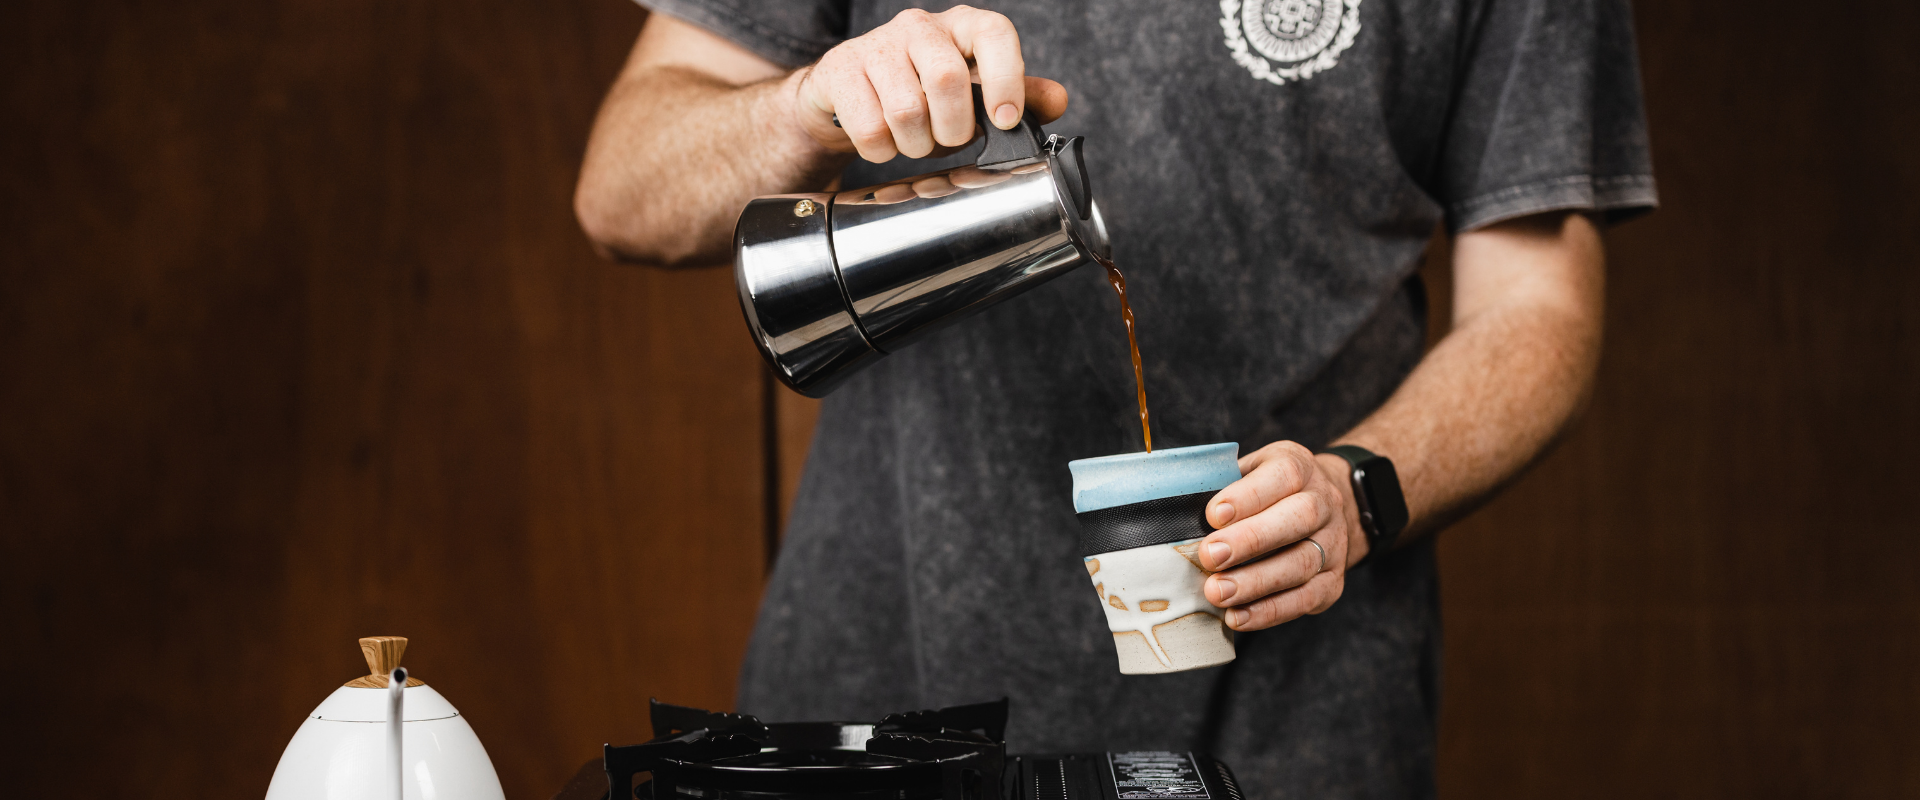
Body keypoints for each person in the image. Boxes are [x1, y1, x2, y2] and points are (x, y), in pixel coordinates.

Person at [574, 1, 1655, 796]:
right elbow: (622, 190)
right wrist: (804, 107)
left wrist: (1355, 490)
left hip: (1294, 727)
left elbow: (1539, 306)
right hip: (874, 714)